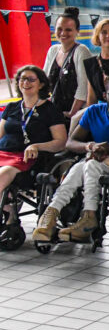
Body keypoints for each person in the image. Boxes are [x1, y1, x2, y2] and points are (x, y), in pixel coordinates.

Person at [33, 78, 109, 243]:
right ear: (105, 95)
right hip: (94, 157)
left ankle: (89, 216)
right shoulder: (94, 111)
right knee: (76, 171)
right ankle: (51, 214)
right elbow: (71, 143)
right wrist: (91, 146)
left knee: (90, 165)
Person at [0, 68, 68, 232]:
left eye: (31, 79)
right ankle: (9, 213)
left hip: (27, 159)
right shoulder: (12, 108)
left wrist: (38, 146)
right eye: (22, 79)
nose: (25, 83)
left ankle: (10, 216)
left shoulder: (50, 110)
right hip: (4, 153)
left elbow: (61, 142)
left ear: (41, 84)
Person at [43, 7, 89, 120]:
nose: (63, 33)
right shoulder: (53, 50)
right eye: (59, 29)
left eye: (68, 30)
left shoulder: (81, 51)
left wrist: (71, 114)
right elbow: (43, 81)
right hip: (55, 110)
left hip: (77, 112)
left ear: (77, 31)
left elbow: (84, 87)